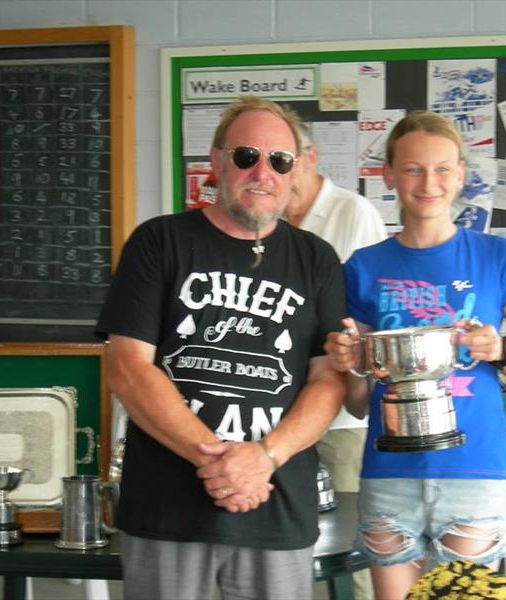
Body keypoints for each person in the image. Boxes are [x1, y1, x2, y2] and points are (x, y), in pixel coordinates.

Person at [95, 95, 347, 600]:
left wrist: (263, 459)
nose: (263, 172)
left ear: (295, 170)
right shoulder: (158, 242)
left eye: (280, 161)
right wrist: (220, 462)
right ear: (215, 161)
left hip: (276, 505)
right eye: (246, 156)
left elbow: (328, 379)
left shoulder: (317, 259)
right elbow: (127, 369)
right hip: (168, 509)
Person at [324, 111, 506, 600]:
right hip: (390, 474)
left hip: (474, 470)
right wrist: (350, 363)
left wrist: (501, 350)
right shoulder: (364, 268)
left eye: (443, 169)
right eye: (412, 169)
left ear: (461, 175)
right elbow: (360, 404)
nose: (429, 183)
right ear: (388, 174)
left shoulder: (499, 258)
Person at [285, 122, 386, 600]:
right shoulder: (259, 216)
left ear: (309, 157)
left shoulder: (351, 211)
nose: (274, 171)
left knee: (351, 549)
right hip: (274, 413)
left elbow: (366, 313)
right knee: (281, 545)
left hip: (341, 413)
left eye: (285, 158)